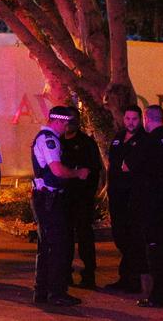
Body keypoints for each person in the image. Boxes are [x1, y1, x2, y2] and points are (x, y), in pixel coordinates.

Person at [30, 106, 89, 306]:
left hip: (45, 198)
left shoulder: (46, 138)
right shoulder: (49, 140)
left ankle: (42, 291)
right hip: (49, 200)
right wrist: (77, 173)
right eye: (66, 123)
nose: (67, 127)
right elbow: (57, 170)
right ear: (59, 121)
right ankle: (56, 293)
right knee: (58, 246)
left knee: (46, 245)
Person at [125, 105, 163, 308]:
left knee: (155, 246)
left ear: (147, 119)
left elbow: (126, 166)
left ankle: (159, 295)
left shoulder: (147, 142)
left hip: (153, 203)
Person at [106, 105, 148, 293]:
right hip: (117, 197)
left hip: (134, 198)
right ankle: (127, 276)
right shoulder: (118, 139)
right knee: (120, 236)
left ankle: (133, 279)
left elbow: (128, 167)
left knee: (133, 238)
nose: (131, 122)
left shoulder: (144, 140)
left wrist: (123, 166)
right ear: (124, 119)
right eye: (128, 119)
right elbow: (114, 165)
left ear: (140, 120)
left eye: (135, 119)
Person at [60, 107, 102, 289]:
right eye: (66, 119)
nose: (69, 123)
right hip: (63, 198)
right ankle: (65, 273)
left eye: (72, 119)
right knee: (65, 237)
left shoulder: (86, 143)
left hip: (82, 199)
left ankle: (89, 274)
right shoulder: (57, 142)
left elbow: (94, 170)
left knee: (84, 236)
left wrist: (88, 194)